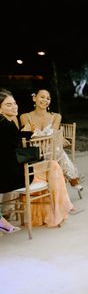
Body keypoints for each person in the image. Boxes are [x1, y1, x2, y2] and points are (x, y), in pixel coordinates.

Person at [19, 89, 83, 191]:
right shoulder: (25, 117)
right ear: (34, 98)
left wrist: (55, 137)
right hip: (34, 151)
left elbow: (54, 133)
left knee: (56, 149)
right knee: (57, 150)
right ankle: (73, 179)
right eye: (42, 97)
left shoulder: (56, 116)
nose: (45, 100)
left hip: (51, 149)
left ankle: (69, 179)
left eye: (48, 98)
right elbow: (27, 135)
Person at [0, 89, 25, 234]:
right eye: (9, 105)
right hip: (10, 175)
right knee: (52, 166)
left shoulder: (6, 122)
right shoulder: (5, 125)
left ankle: (3, 221)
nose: (14, 107)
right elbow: (16, 151)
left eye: (14, 103)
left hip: (7, 169)